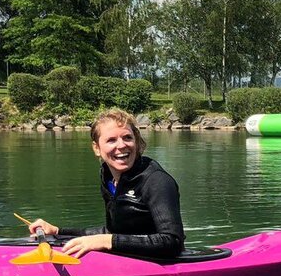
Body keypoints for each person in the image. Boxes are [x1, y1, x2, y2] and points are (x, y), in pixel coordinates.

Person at [28, 109, 185, 259]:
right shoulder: (109, 178)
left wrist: (106, 241)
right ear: (97, 148)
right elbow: (112, 232)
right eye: (111, 140)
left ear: (136, 142)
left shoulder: (156, 180)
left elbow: (172, 242)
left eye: (127, 138)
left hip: (163, 265)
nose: (121, 145)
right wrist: (57, 231)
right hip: (128, 260)